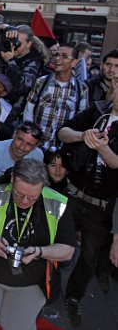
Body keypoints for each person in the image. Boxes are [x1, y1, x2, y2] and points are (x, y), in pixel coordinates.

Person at [0, 159, 76, 330]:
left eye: (32, 197)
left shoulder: (58, 204)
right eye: (18, 194)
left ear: (43, 187)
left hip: (31, 283)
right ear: (13, 179)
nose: (24, 201)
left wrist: (39, 252)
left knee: (14, 326)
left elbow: (68, 251)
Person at [59, 85, 118, 326]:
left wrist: (102, 147)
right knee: (51, 238)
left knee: (89, 257)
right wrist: (83, 135)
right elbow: (63, 132)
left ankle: (73, 297)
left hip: (100, 206)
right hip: (73, 193)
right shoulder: (97, 111)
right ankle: (41, 285)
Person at [24, 42, 88, 151]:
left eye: (64, 56)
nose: (58, 59)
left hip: (62, 149)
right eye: (56, 55)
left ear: (74, 62)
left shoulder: (81, 88)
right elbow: (28, 111)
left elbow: (81, 120)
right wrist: (30, 135)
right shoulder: (41, 82)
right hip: (36, 146)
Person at [0, 122, 44, 186]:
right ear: (14, 134)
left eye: (29, 144)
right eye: (20, 139)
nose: (21, 147)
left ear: (35, 146)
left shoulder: (37, 156)